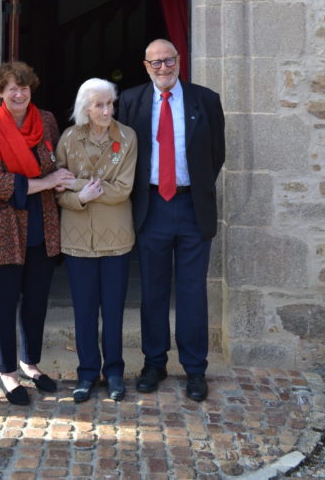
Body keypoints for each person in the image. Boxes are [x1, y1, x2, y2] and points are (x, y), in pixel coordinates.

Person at [117, 39, 225, 402]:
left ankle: (195, 369)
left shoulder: (205, 99)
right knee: (153, 290)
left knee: (193, 292)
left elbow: (217, 154)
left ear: (179, 61)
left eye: (169, 61)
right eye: (156, 62)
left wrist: (194, 188)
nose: (163, 68)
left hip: (192, 206)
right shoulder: (131, 101)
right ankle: (154, 362)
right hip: (151, 207)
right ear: (145, 66)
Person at [0, 61, 75, 406]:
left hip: (42, 223)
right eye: (12, 88)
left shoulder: (45, 121)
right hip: (3, 225)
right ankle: (6, 371)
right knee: (4, 301)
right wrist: (45, 182)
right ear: (0, 92)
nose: (19, 94)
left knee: (36, 300)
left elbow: (57, 162)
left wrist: (60, 179)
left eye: (24, 88)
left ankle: (30, 363)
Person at [56, 78, 137, 404]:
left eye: (110, 104)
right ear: (85, 108)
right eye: (99, 105)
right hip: (77, 238)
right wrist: (81, 195)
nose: (107, 110)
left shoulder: (127, 138)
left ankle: (114, 371)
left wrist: (84, 188)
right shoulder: (69, 138)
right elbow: (57, 187)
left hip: (115, 237)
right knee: (85, 311)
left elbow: (123, 188)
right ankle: (87, 372)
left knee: (114, 310)